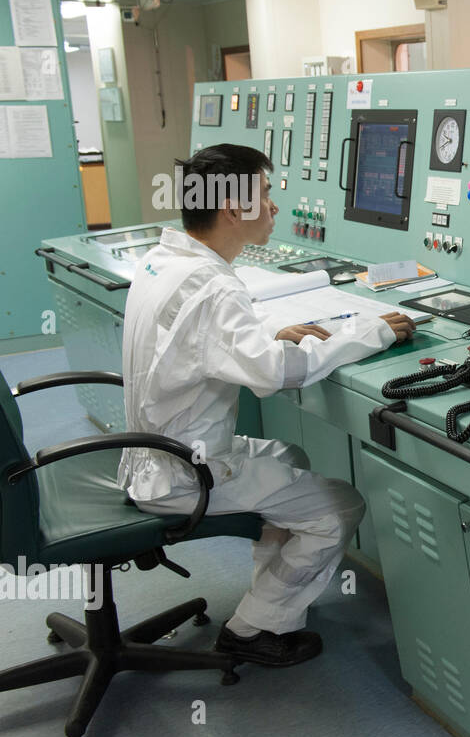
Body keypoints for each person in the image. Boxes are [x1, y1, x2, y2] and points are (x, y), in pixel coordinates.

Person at [118, 144, 416, 667]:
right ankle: (254, 628)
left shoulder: (163, 259)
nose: (274, 206)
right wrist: (369, 334)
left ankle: (272, 598)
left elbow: (195, 340)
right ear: (233, 209)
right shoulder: (213, 286)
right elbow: (277, 374)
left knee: (291, 458)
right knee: (339, 507)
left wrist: (268, 333)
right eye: (265, 194)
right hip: (188, 473)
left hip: (150, 454)